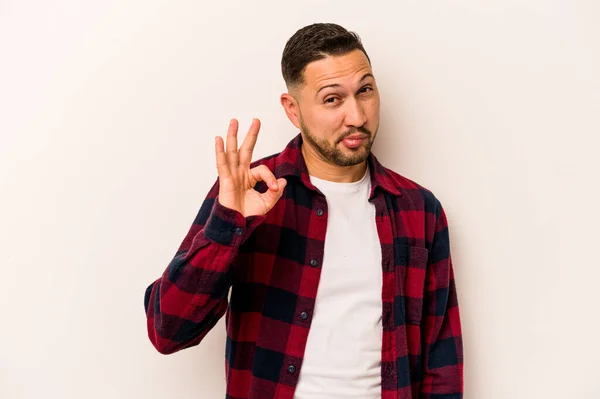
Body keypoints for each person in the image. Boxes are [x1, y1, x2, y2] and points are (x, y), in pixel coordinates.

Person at [144, 22, 463, 399]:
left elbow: (440, 361)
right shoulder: (251, 191)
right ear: (292, 110)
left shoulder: (418, 210)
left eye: (365, 91)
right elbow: (168, 331)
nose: (357, 116)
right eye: (332, 99)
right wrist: (227, 226)